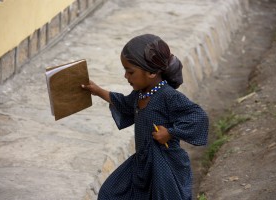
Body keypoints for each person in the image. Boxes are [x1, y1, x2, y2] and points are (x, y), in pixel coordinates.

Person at [81, 34, 209, 200]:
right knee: (110, 193)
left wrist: (170, 132)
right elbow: (124, 104)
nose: (126, 76)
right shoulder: (140, 94)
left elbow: (198, 116)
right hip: (142, 162)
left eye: (130, 71)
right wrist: (97, 91)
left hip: (164, 165)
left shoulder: (168, 96)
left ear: (152, 72)